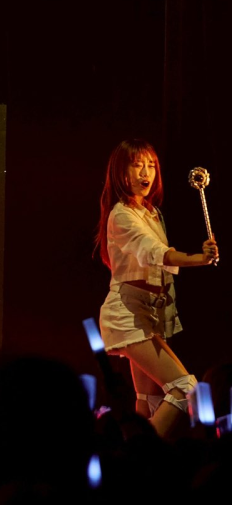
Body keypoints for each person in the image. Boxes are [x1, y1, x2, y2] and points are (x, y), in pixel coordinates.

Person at [95, 138, 217, 438]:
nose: (145, 172)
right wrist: (199, 258)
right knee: (184, 387)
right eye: (137, 166)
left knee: (148, 401)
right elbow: (156, 253)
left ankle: (134, 457)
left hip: (146, 315)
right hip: (127, 315)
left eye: (150, 165)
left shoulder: (151, 213)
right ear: (120, 172)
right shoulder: (122, 214)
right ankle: (143, 455)